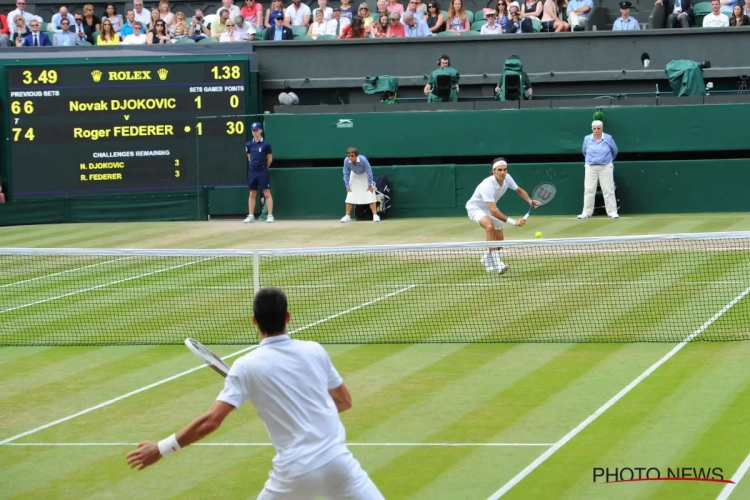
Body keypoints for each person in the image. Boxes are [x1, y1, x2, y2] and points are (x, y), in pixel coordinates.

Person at [126, 287, 384, 500]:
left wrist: (160, 449)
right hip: (339, 464)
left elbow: (211, 421)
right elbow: (343, 401)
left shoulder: (245, 366)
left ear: (254, 321)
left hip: (296, 473)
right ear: (288, 317)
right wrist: (299, 408)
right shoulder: (315, 350)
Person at [466, 158, 535, 274]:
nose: (502, 172)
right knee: (489, 226)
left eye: (505, 170)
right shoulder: (487, 185)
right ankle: (498, 264)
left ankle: (486, 259)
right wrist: (514, 222)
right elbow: (493, 211)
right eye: (499, 170)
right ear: (493, 171)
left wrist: (530, 201)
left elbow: (518, 190)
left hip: (490, 207)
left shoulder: (507, 178)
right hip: (475, 208)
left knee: (500, 242)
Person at [578, 120, 619, 219]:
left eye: (598, 128)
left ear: (602, 129)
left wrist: (607, 160)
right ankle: (586, 213)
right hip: (590, 167)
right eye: (594, 128)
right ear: (592, 129)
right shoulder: (587, 139)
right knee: (589, 190)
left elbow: (615, 151)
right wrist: (591, 160)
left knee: (608, 190)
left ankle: (612, 212)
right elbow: (584, 151)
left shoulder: (608, 138)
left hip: (606, 167)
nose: (596, 130)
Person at [244, 122, 275, 223]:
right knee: (252, 194)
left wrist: (264, 168)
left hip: (263, 171)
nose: (255, 132)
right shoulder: (249, 144)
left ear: (261, 130)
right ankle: (251, 215)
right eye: (253, 130)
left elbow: (270, 159)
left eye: (257, 130)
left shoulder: (266, 144)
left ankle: (270, 215)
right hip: (252, 171)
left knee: (267, 193)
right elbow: (249, 158)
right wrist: (254, 166)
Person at [340, 147, 380, 223]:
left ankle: (375, 215)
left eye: (352, 156)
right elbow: (345, 173)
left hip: (365, 176)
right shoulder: (346, 161)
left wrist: (369, 184)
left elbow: (369, 171)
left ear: (356, 155)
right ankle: (347, 216)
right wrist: (347, 186)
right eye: (349, 156)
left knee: (370, 194)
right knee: (350, 195)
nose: (350, 158)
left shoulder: (363, 159)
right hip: (354, 176)